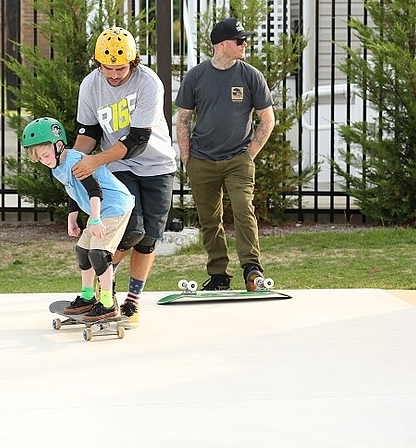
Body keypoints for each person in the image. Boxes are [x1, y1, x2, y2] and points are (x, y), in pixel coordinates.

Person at [72, 27, 177, 328]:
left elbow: (136, 141)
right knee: (130, 229)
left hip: (156, 165)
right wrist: (75, 167)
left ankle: (132, 301)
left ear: (133, 62)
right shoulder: (91, 85)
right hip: (118, 167)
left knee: (148, 239)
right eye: (108, 68)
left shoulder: (149, 83)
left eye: (120, 69)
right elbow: (89, 132)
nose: (114, 75)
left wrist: (94, 162)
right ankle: (104, 292)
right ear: (98, 63)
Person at [175, 17, 276, 291]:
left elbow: (267, 119)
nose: (245, 44)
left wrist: (249, 153)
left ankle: (252, 270)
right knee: (210, 220)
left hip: (238, 161)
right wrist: (187, 158)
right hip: (202, 161)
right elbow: (183, 119)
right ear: (221, 45)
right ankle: (219, 275)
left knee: (244, 211)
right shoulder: (196, 76)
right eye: (239, 40)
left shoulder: (251, 75)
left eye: (245, 40)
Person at [22, 117, 134, 322]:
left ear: (58, 145)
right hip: (99, 210)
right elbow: (74, 191)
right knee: (83, 251)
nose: (45, 161)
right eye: (40, 159)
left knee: (99, 254)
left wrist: (95, 219)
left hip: (114, 207)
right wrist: (72, 218)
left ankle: (108, 303)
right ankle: (88, 297)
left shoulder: (74, 162)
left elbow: (94, 190)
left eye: (46, 155)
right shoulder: (57, 167)